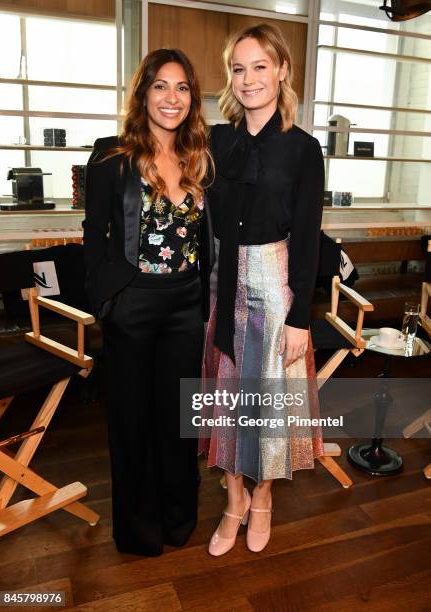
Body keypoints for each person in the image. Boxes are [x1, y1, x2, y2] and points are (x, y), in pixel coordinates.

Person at [199, 23, 325, 556]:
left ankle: (265, 495)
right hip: (220, 281)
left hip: (276, 285)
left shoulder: (303, 148)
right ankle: (233, 500)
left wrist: (301, 317)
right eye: (238, 68)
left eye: (259, 67)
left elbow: (308, 235)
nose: (248, 79)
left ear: (280, 72)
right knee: (228, 395)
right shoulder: (215, 139)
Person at [83, 48, 214, 557]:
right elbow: (93, 236)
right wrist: (106, 300)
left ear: (192, 99)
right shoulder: (112, 156)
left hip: (185, 305)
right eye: (161, 85)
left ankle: (179, 521)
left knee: (178, 421)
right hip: (132, 304)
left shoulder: (201, 156)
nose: (171, 97)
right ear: (143, 93)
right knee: (132, 422)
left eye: (181, 88)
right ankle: (139, 532)